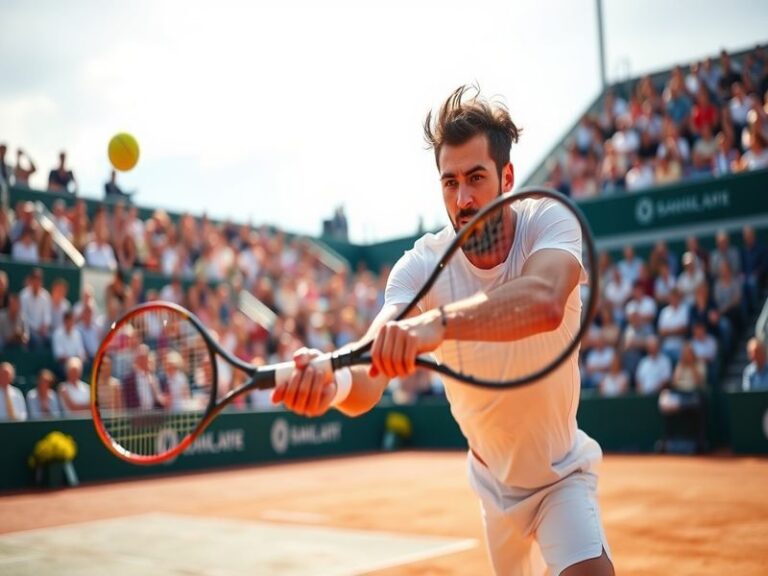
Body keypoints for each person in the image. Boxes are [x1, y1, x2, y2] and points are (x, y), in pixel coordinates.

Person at [274, 86, 614, 575]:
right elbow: (369, 368)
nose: (463, 198)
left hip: (559, 474)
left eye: (476, 178)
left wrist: (436, 326)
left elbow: (544, 302)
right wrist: (331, 383)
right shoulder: (420, 266)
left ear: (507, 177)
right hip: (490, 482)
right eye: (450, 183)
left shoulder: (549, 220)